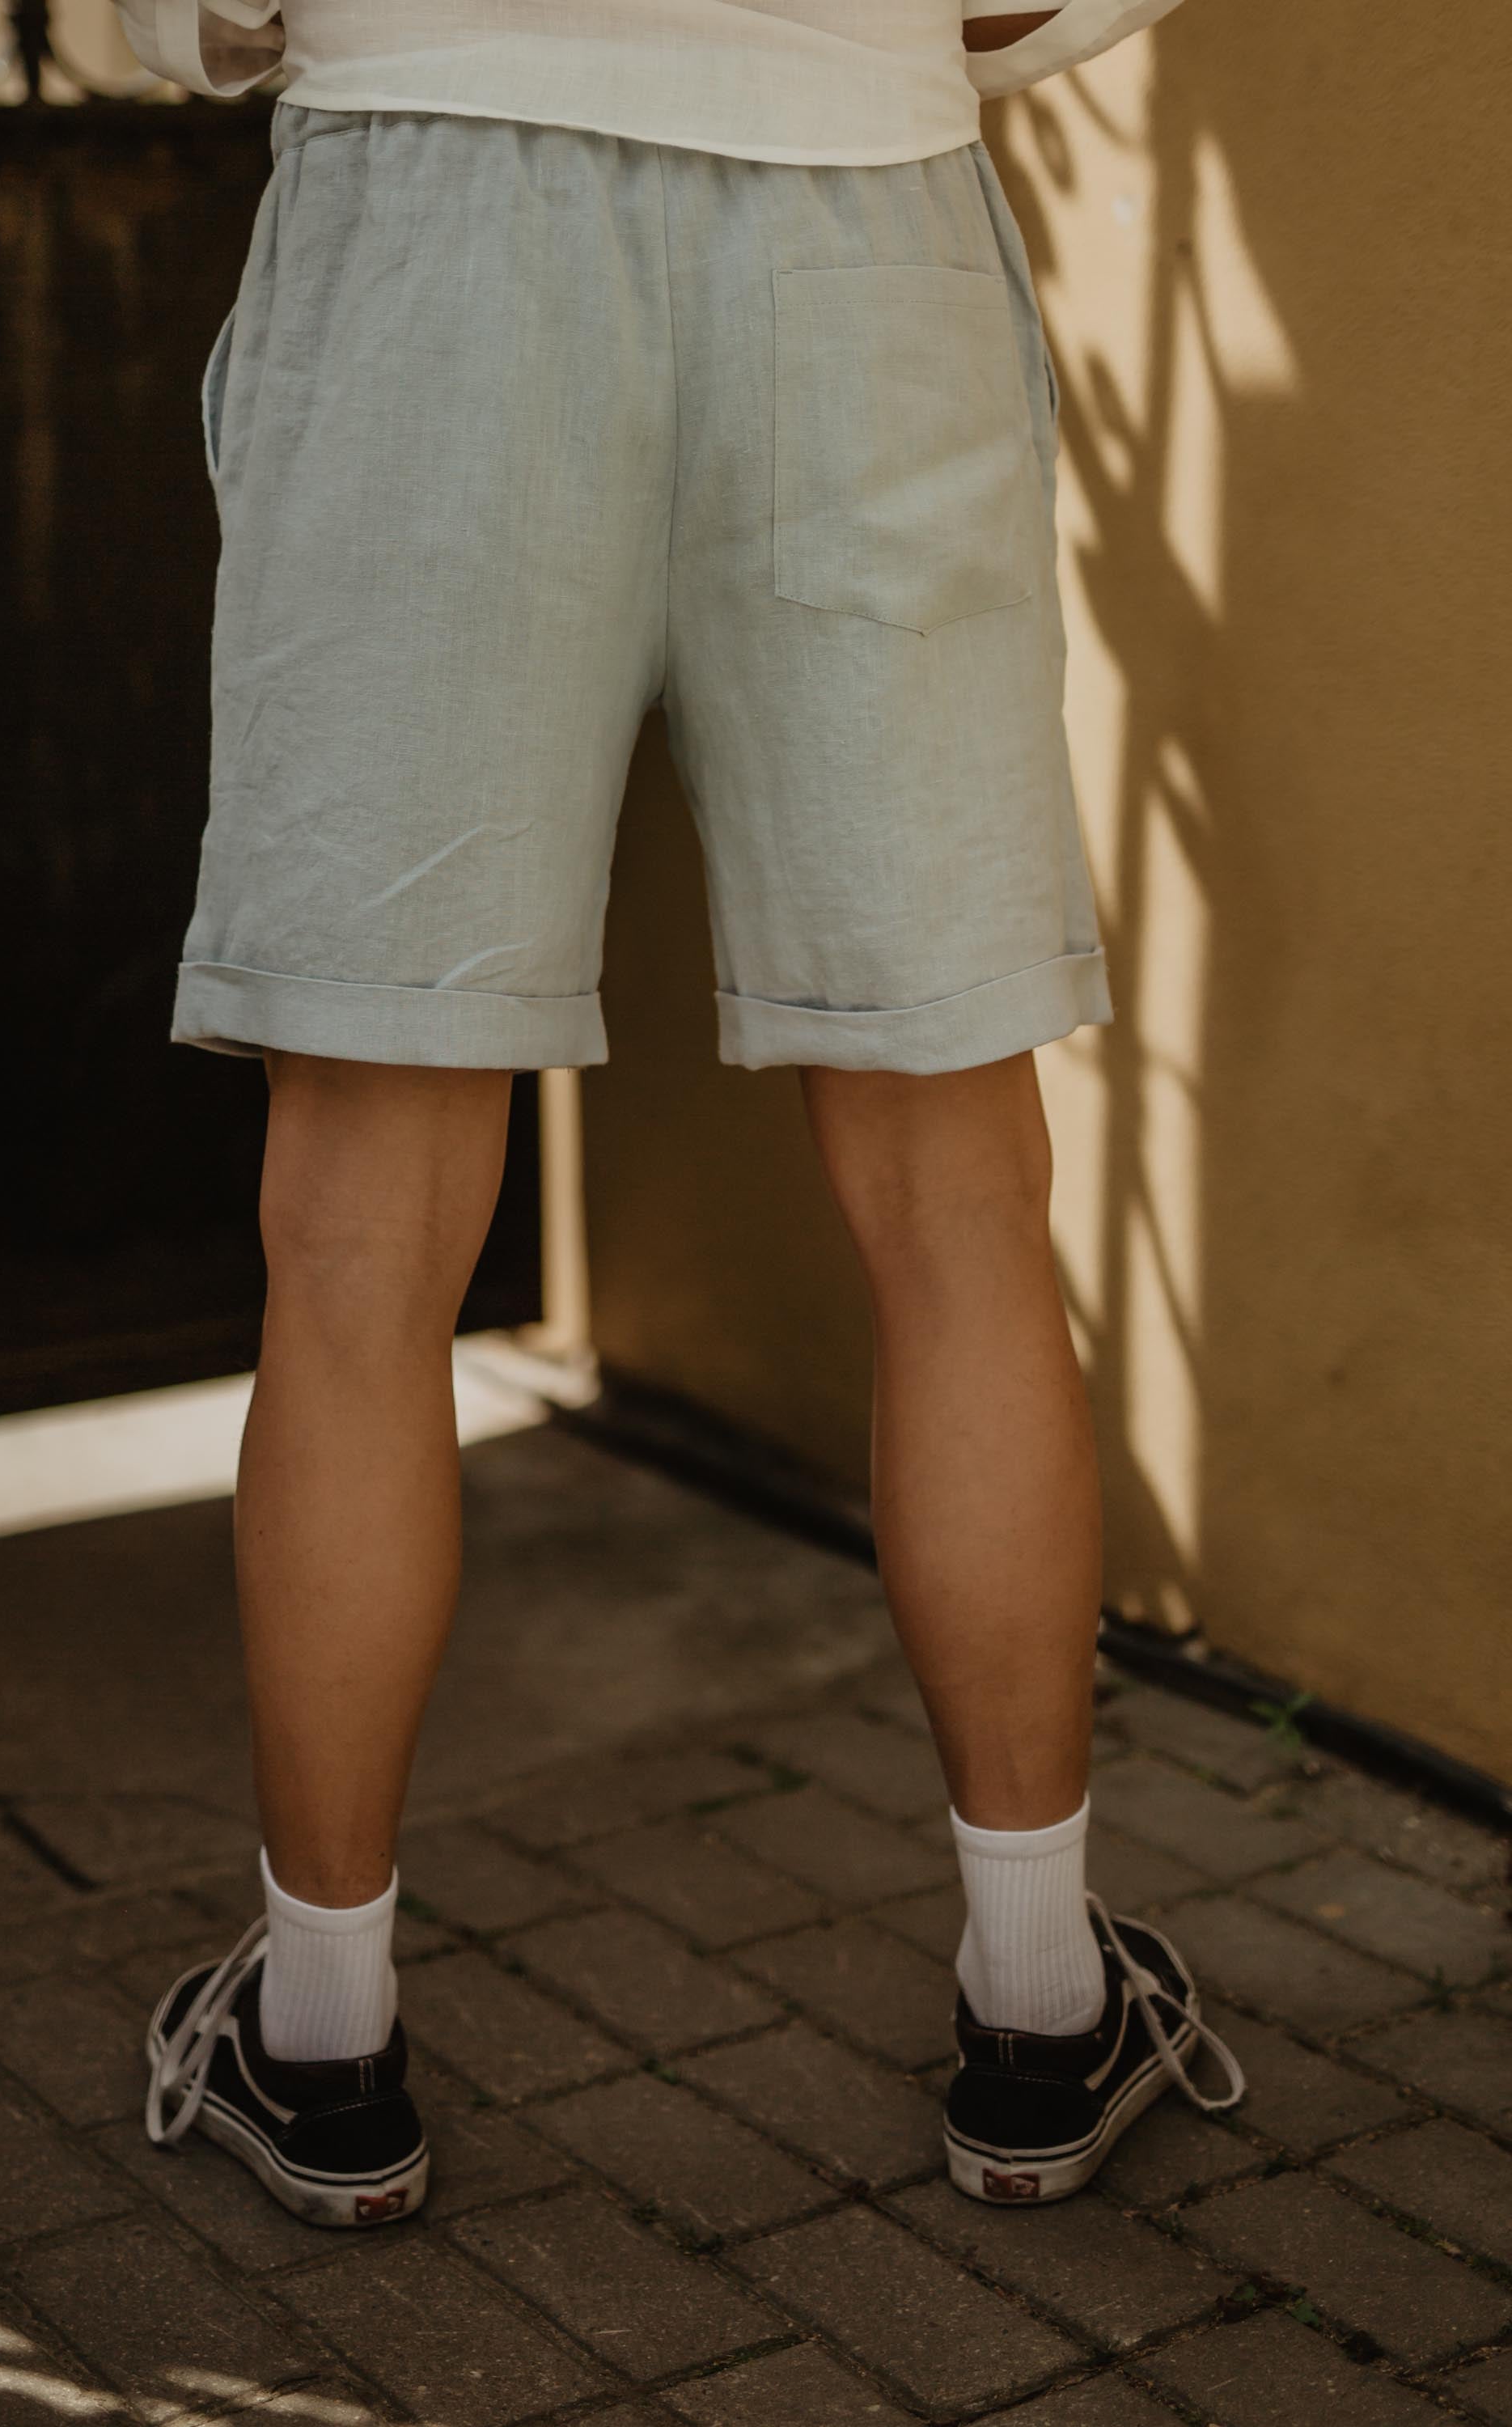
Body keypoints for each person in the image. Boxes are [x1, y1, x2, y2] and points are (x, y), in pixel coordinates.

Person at [122, 0, 1244, 2226]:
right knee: (955, 1188)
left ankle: (320, 2039)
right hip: (860, 216)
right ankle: (1041, 2005)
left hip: (431, 200)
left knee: (358, 1224)